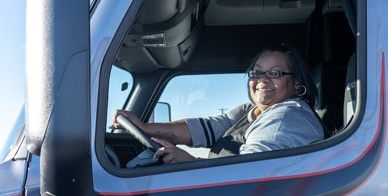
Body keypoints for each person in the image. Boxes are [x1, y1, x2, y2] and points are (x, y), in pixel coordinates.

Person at [110, 44, 325, 164]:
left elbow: (249, 174)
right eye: (257, 72)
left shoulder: (287, 117)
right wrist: (143, 128)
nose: (262, 79)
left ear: (297, 83)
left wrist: (190, 163)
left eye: (275, 73)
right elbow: (205, 128)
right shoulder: (251, 111)